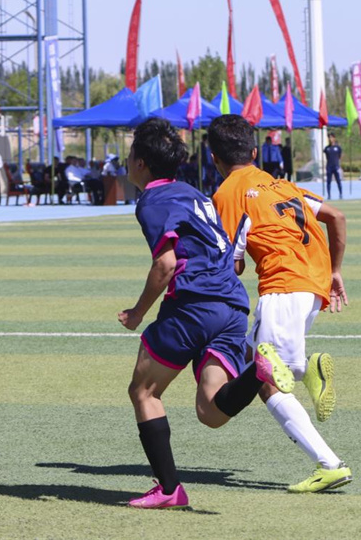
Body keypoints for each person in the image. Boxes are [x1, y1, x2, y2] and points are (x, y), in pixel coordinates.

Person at [120, 117, 294, 509]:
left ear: (143, 164)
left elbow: (165, 266)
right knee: (211, 411)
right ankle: (258, 371)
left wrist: (137, 313)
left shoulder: (152, 200)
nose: (126, 161)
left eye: (130, 155)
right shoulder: (196, 194)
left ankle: (169, 490)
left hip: (194, 306)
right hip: (232, 306)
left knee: (143, 391)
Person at [210, 114, 353, 494]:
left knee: (266, 379)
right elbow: (336, 217)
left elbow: (232, 263)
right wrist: (336, 272)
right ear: (255, 152)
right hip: (313, 285)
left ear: (213, 158)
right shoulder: (284, 185)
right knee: (256, 362)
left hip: (282, 286)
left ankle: (329, 464)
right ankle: (306, 371)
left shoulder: (226, 193)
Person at [324, 133, 343, 200]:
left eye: (331, 137)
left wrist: (338, 164)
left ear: (334, 138)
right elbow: (327, 157)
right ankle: (329, 195)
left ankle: (341, 194)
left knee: (338, 181)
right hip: (329, 167)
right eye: (329, 137)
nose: (330, 139)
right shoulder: (327, 148)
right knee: (328, 182)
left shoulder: (338, 148)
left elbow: (340, 156)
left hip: (336, 166)